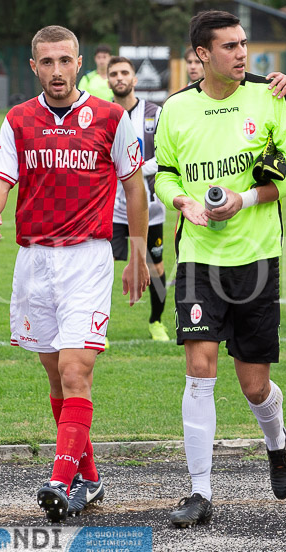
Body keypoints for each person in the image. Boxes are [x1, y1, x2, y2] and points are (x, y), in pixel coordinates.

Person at [0, 25, 150, 523]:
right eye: (47, 62)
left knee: (77, 371)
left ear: (80, 63)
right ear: (35, 66)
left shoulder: (111, 118)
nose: (57, 71)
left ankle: (59, 480)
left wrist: (137, 251)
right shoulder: (18, 119)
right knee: (57, 377)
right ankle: (89, 479)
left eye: (65, 60)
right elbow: (0, 179)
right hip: (35, 262)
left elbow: (134, 187)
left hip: (87, 259)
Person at [154, 10, 286, 528]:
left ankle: (277, 443)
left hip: (256, 260)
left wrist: (244, 198)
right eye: (229, 46)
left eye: (243, 44)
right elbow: (165, 175)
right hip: (199, 258)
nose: (242, 53)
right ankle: (199, 491)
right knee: (199, 369)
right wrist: (182, 201)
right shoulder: (176, 109)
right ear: (201, 54)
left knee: (253, 386)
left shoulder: (272, 96)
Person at [107, 56, 170, 341]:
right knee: (100, 266)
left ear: (134, 79)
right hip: (110, 208)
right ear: (108, 81)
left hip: (149, 208)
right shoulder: (102, 114)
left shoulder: (155, 113)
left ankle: (156, 321)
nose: (119, 77)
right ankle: (97, 327)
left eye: (124, 72)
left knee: (155, 267)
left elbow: (167, 154)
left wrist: (135, 170)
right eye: (114, 74)